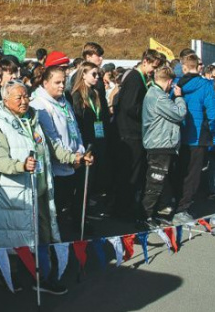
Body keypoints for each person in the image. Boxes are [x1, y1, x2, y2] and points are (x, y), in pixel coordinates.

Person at [0, 80, 88, 295]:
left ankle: (41, 277)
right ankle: (12, 278)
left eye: (26, 96)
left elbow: (52, 147)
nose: (24, 101)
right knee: (18, 239)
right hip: (16, 194)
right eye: (19, 98)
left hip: (40, 189)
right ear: (5, 100)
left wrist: (75, 157)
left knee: (42, 235)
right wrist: (20, 166)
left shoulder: (33, 119)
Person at [30, 66, 92, 232]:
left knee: (71, 203)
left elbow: (75, 128)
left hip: (74, 161)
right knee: (56, 209)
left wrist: (81, 150)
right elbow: (52, 139)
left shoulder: (64, 101)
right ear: (45, 83)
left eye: (63, 81)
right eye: (57, 82)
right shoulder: (39, 105)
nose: (61, 85)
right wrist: (71, 158)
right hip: (58, 167)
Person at [171, 54, 215, 224]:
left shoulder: (177, 85)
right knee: (193, 174)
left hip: (179, 133)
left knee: (180, 170)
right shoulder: (205, 85)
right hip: (198, 134)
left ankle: (174, 203)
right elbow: (212, 111)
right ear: (198, 67)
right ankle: (182, 208)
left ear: (184, 67)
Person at [112, 49, 162, 219]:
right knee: (129, 173)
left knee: (130, 172)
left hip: (132, 131)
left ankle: (122, 206)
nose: (153, 71)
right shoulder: (134, 78)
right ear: (145, 61)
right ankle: (122, 209)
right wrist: (148, 111)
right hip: (129, 132)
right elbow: (129, 106)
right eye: (153, 67)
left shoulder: (139, 78)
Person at [137, 66, 186, 230]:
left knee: (160, 182)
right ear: (170, 81)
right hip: (159, 144)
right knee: (155, 182)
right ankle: (145, 216)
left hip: (162, 143)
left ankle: (154, 213)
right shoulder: (158, 97)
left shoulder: (156, 94)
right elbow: (179, 113)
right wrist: (179, 97)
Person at [71, 62, 111, 210]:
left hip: (98, 138)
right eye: (93, 74)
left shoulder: (96, 93)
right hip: (85, 140)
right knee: (83, 180)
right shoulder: (77, 95)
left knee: (93, 178)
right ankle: (78, 211)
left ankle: (86, 207)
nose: (96, 78)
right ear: (84, 75)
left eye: (98, 75)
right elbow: (78, 120)